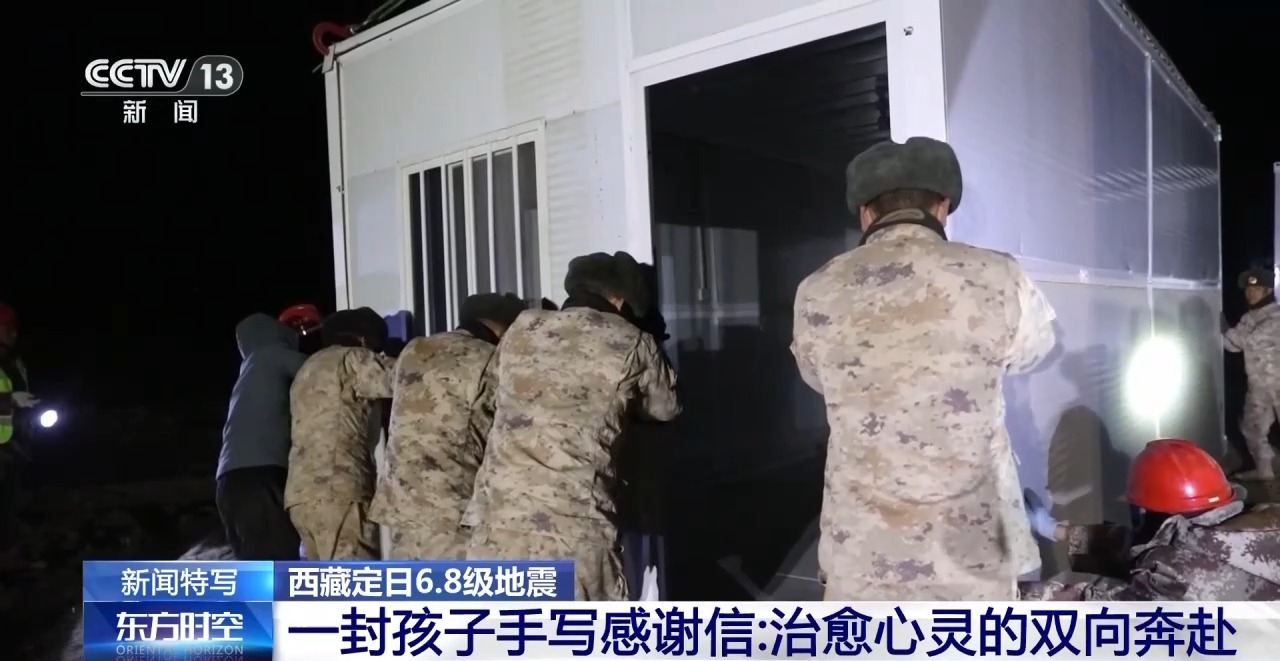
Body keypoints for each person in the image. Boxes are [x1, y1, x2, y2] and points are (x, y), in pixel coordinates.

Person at [790, 136, 1058, 601]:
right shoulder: (999, 275)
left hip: (863, 558)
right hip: (971, 555)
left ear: (865, 213)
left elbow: (818, 378)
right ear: (942, 207)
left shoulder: (816, 289)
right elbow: (1033, 353)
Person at [463, 251, 681, 600]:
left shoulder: (523, 326)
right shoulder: (631, 340)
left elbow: (490, 393)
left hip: (496, 524)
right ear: (619, 301)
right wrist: (651, 342)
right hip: (572, 530)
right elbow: (665, 408)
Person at [369, 293, 528, 559]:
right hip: (451, 504)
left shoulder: (415, 349)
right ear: (501, 327)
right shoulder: (490, 359)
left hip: (403, 501)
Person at [1021, 438, 1279, 601]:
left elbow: (1088, 604)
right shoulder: (1266, 519)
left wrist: (1009, 591)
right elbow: (1152, 542)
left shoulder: (1176, 576)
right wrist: (1059, 532)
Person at [286, 307, 395, 560]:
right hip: (339, 489)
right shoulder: (353, 360)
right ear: (364, 340)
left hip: (300, 496)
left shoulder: (307, 368)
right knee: (354, 578)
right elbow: (407, 378)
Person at [215, 313, 308, 560]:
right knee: (276, 557)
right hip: (260, 474)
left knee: (253, 562)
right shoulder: (271, 355)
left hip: (228, 481)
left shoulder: (248, 371)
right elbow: (320, 370)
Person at [1224, 268, 1278, 480]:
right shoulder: (1249, 317)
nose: (1250, 293)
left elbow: (1248, 341)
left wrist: (1226, 330)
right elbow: (1233, 346)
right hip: (1259, 387)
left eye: (1256, 289)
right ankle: (1264, 472)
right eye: (1248, 289)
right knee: (1252, 429)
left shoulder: (1275, 315)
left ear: (1268, 291)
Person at [0, 302, 37, 555]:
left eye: (13, 326)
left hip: (12, 445)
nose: (12, 332)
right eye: (6, 326)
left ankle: (8, 551)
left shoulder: (13, 359)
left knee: (9, 503)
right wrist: (11, 400)